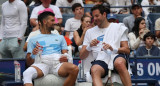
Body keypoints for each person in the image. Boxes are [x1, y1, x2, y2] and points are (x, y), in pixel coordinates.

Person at [80, 4, 132, 86]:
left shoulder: (118, 27)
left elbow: (127, 50)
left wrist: (114, 49)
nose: (95, 19)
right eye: (94, 17)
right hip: (100, 59)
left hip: (116, 55)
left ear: (104, 14)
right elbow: (82, 56)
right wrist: (89, 46)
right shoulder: (89, 32)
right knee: (94, 70)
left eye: (97, 16)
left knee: (119, 63)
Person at [23, 11, 79, 86]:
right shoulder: (33, 39)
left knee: (75, 69)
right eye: (52, 20)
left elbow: (66, 55)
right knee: (27, 74)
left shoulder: (60, 38)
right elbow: (29, 63)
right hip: (41, 63)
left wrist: (66, 59)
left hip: (57, 63)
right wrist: (33, 54)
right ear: (44, 21)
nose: (55, 22)